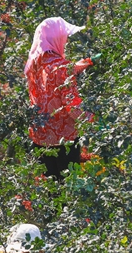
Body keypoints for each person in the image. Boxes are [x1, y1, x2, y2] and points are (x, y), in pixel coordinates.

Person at [24, 17, 94, 179]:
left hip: (39, 140)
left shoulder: (34, 65)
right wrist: (96, 121)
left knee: (51, 194)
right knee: (69, 192)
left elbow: (50, 82)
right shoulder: (63, 68)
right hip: (64, 143)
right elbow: (73, 108)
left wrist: (74, 68)